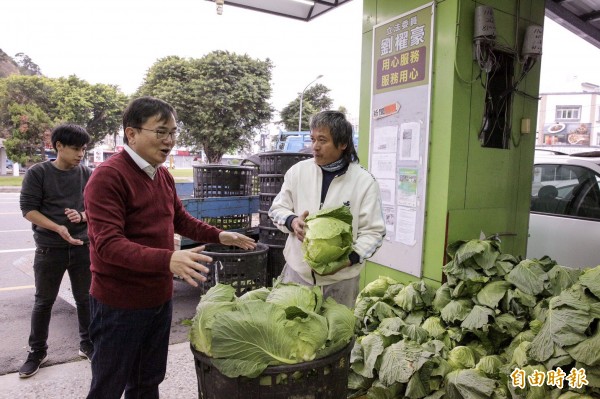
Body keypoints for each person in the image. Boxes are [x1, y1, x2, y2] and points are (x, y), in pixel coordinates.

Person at [83, 96, 256, 399]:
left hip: (158, 300)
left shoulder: (161, 174)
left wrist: (220, 235)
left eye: (174, 133)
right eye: (160, 132)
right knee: (107, 387)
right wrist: (168, 260)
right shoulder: (108, 176)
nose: (169, 141)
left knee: (148, 382)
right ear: (132, 133)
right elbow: (108, 245)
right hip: (119, 305)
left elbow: (179, 219)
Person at [268, 110, 386, 307]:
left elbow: (374, 232)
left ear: (342, 144)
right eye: (312, 139)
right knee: (291, 333)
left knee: (337, 336)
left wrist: (349, 259)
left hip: (341, 282)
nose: (315, 147)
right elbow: (276, 209)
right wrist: (292, 221)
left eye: (322, 140)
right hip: (297, 274)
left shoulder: (364, 182)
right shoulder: (298, 172)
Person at [18, 124, 93, 378]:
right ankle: (37, 351)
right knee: (43, 302)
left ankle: (88, 344)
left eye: (83, 149)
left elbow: (100, 207)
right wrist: (58, 228)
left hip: (83, 247)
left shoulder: (87, 174)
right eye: (75, 149)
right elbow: (28, 210)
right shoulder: (38, 173)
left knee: (86, 299)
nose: (80, 154)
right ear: (58, 146)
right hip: (50, 249)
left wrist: (82, 216)